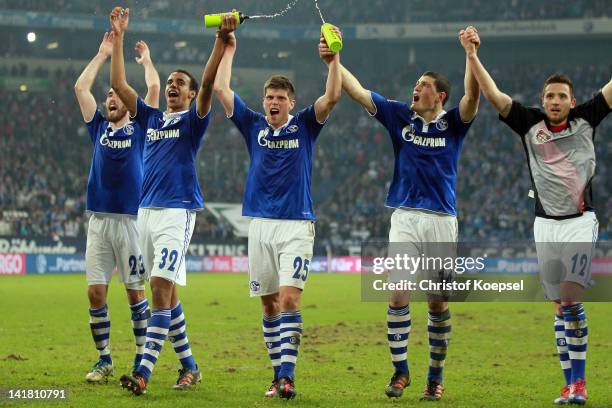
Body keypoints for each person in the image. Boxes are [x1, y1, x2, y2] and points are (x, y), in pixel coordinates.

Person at [461, 27, 611, 406]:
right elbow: (494, 97)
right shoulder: (530, 124)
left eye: (562, 96)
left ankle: (580, 384)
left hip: (579, 222)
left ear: (572, 101)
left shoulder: (587, 117)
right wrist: (472, 54)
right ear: (543, 101)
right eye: (549, 96)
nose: (555, 101)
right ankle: (568, 385)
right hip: (544, 224)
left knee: (570, 298)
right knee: (559, 307)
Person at [330, 27, 481, 401]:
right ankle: (400, 372)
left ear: (440, 95)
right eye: (415, 83)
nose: (415, 88)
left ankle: (435, 375)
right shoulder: (400, 117)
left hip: (442, 221)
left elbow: (473, 95)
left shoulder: (454, 124)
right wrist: (334, 60)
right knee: (397, 294)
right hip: (405, 217)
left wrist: (470, 53)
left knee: (437, 302)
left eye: (423, 84)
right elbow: (358, 91)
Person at [213, 16, 341, 399]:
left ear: (291, 103)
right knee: (269, 305)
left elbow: (332, 97)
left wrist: (332, 62)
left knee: (289, 299)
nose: (273, 102)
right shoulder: (253, 125)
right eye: (269, 97)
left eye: (280, 98)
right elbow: (220, 87)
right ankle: (276, 373)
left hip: (296, 226)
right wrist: (229, 47)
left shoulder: (304, 126)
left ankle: (287, 376)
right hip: (261, 227)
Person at [108, 7, 233, 395]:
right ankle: (190, 366)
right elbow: (118, 82)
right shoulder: (150, 119)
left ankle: (143, 371)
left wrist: (219, 42)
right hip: (145, 213)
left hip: (177, 213)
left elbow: (210, 81)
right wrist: (119, 38)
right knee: (169, 294)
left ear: (192, 94)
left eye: (181, 83)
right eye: (172, 82)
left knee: (159, 289)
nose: (174, 86)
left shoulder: (193, 121)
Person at [74, 31, 160, 383]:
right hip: (98, 221)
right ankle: (104, 359)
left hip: (129, 222)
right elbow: (81, 89)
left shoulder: (140, 128)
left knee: (135, 293)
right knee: (96, 292)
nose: (110, 97)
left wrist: (147, 63)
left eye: (115, 94)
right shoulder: (98, 127)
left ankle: (141, 358)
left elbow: (153, 91)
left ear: (126, 100)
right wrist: (102, 54)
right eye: (107, 95)